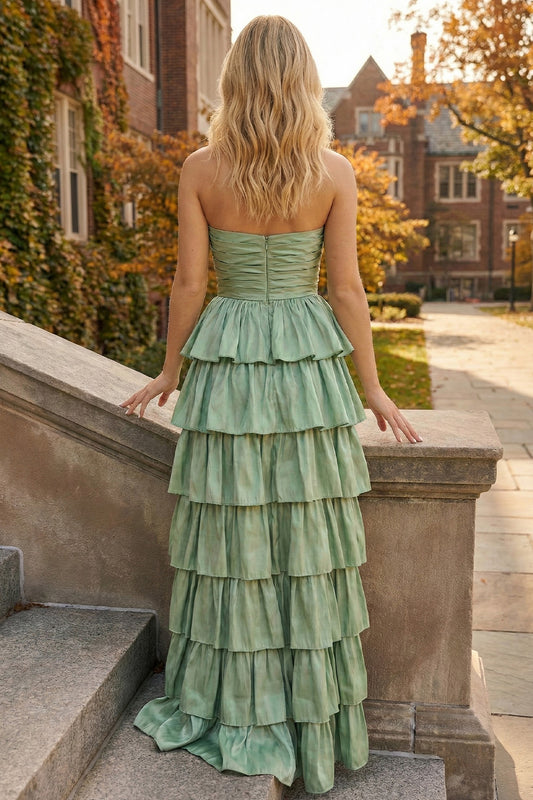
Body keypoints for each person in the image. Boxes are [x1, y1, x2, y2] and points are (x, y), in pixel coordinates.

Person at [120, 15, 422, 795]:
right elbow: (345, 290)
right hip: (304, 365)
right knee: (305, 541)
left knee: (233, 539)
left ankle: (233, 702)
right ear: (302, 80)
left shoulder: (200, 168)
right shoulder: (333, 171)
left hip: (229, 361)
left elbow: (190, 283)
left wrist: (169, 369)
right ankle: (302, 715)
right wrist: (371, 386)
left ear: (233, 81)